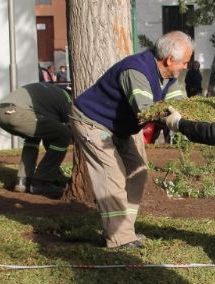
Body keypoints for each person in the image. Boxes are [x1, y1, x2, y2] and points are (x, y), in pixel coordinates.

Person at [70, 31, 191, 249]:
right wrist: (173, 120)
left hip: (120, 127)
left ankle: (126, 230)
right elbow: (145, 110)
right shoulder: (135, 71)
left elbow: (178, 101)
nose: (186, 67)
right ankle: (119, 239)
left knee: (138, 171)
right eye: (185, 62)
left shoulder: (170, 76)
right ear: (170, 59)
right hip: (93, 121)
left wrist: (191, 117)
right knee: (111, 175)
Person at [0, 82, 72, 197]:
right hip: (17, 112)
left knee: (34, 137)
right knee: (64, 134)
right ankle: (42, 181)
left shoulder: (51, 94)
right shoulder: (66, 98)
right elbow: (72, 128)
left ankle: (23, 181)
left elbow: (50, 135)